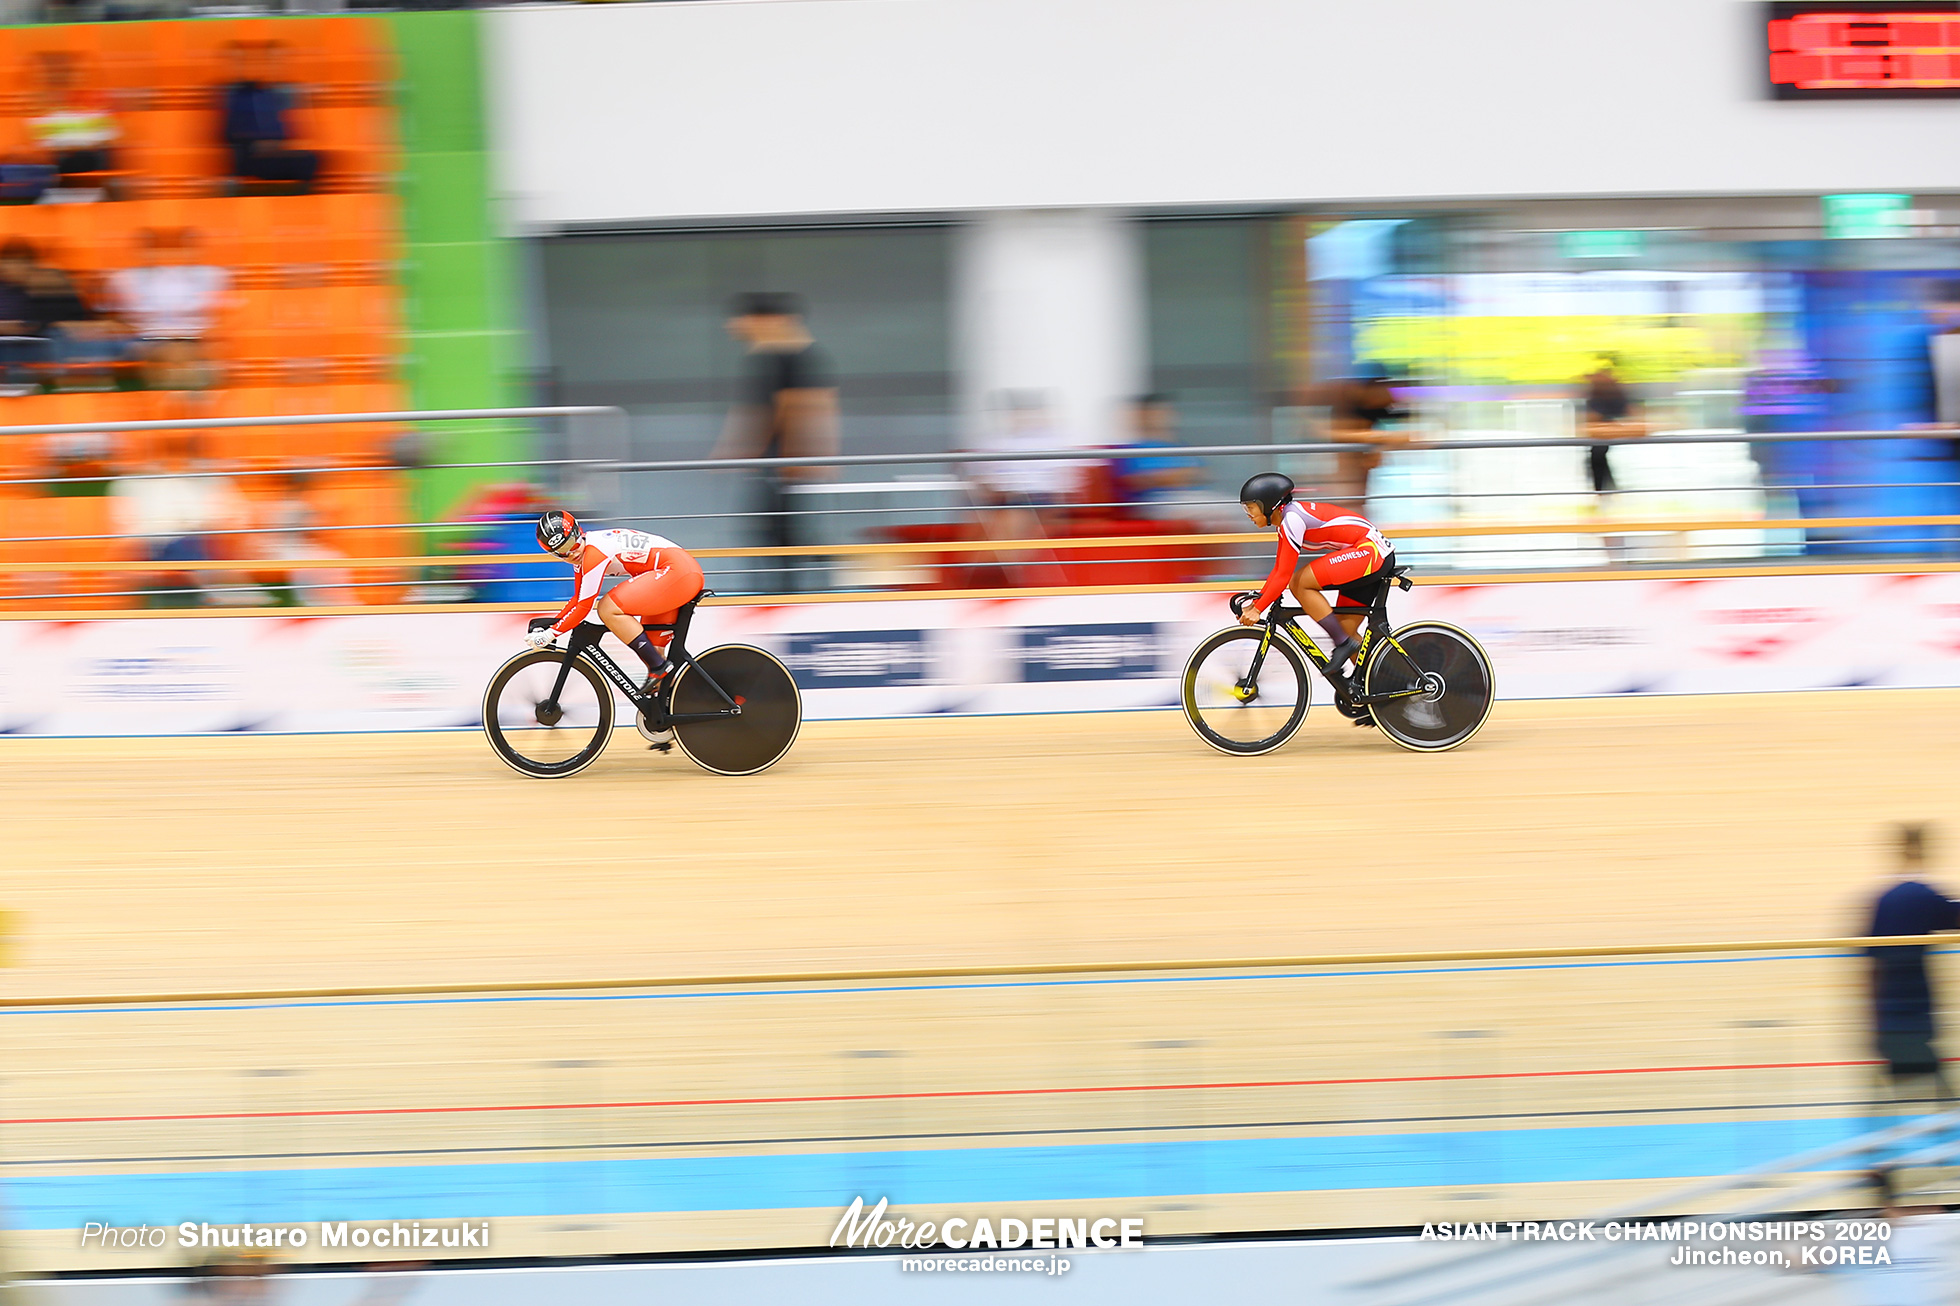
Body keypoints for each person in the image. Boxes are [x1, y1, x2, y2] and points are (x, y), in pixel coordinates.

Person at [710, 293, 839, 592]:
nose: (735, 326)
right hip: (777, 463)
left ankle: (788, 595)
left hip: (783, 464)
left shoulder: (795, 357)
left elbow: (791, 408)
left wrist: (752, 451)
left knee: (780, 533)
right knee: (774, 532)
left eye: (745, 319)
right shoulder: (771, 356)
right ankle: (779, 593)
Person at [1236, 471, 1396, 713]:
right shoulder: (1286, 520)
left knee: (1300, 583)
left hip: (1369, 551)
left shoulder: (1292, 520)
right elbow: (1279, 569)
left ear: (1270, 505)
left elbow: (1284, 575)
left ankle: (1344, 645)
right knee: (1347, 629)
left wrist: (1258, 608)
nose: (1248, 514)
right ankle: (1381, 696)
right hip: (1370, 552)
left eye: (1251, 507)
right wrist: (1260, 600)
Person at [526, 509, 706, 695]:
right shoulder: (583, 554)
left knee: (608, 608)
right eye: (561, 552)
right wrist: (554, 625)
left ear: (578, 531)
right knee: (653, 652)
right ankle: (675, 707)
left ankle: (660, 667)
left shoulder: (593, 552)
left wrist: (551, 634)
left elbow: (584, 606)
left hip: (677, 572)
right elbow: (578, 599)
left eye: (571, 543)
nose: (570, 553)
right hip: (675, 573)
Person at [1866, 823, 1960, 1106]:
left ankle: (1875, 1136)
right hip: (1915, 1005)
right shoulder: (1925, 896)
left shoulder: (1885, 900)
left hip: (1890, 1006)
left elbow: (1868, 964)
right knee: (1935, 1085)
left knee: (1894, 1083)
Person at [109, 228, 230, 391]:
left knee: (185, 354)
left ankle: (181, 398)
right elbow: (124, 317)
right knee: (169, 354)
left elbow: (217, 313)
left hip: (194, 339)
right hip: (146, 339)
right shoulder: (123, 278)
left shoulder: (214, 274)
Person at [218, 39, 322, 193]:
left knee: (311, 161)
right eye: (273, 60)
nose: (278, 65)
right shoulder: (243, 93)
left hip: (272, 152)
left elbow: (301, 131)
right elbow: (227, 133)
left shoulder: (284, 91)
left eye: (282, 60)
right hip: (247, 155)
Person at [1580, 355, 1647, 494]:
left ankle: (1605, 490)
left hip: (1610, 429)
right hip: (1605, 431)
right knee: (1597, 454)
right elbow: (1594, 417)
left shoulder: (1614, 392)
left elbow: (1631, 413)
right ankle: (1606, 490)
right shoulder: (1598, 393)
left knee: (1597, 454)